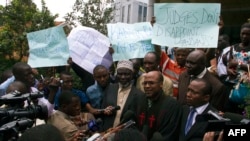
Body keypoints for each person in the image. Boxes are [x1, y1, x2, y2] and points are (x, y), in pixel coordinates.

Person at [136, 71, 182, 141]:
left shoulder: (172, 105)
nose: (147, 86)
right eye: (145, 83)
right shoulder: (139, 100)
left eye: (151, 83)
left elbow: (169, 132)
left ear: (161, 84)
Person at [101, 60, 144, 131]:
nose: (123, 77)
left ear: (132, 74)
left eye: (126, 74)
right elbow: (102, 110)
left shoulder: (139, 95)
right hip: (106, 132)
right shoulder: (110, 88)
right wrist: (105, 111)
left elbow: (137, 120)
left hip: (125, 135)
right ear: (116, 74)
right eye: (120, 74)